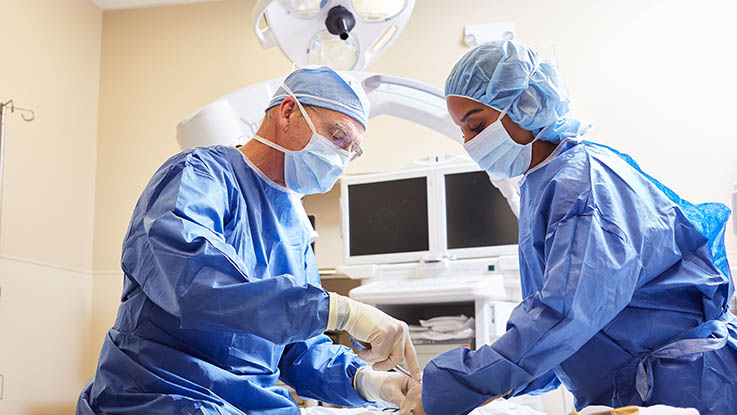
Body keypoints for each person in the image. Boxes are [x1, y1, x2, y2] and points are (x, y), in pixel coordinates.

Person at [399, 40, 737, 415]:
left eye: (475, 125)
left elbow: (563, 318)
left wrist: (450, 386)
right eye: (462, 131)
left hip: (684, 386)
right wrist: (490, 383)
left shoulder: (582, 185)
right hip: (638, 386)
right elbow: (567, 339)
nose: (468, 142)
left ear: (526, 105)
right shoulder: (544, 184)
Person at [77, 66, 421, 415]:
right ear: (288, 112)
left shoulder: (294, 229)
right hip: (161, 395)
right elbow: (196, 284)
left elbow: (297, 349)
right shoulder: (199, 176)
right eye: (337, 136)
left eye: (353, 150)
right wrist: (341, 311)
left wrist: (372, 383)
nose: (342, 156)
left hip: (247, 406)